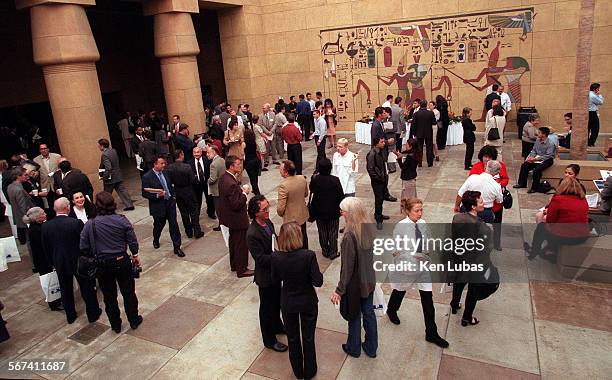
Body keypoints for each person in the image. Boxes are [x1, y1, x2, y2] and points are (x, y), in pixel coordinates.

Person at [385, 198, 449, 348]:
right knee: (400, 289)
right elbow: (394, 249)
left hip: (422, 268)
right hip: (407, 267)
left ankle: (431, 333)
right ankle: (391, 310)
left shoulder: (423, 224)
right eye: (416, 211)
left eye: (421, 210)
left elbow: (427, 242)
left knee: (428, 300)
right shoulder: (401, 227)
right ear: (408, 211)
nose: (420, 214)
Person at [80, 192, 142, 333]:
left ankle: (115, 325)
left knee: (109, 296)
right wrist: (135, 254)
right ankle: (133, 320)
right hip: (122, 261)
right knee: (129, 293)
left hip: (103, 265)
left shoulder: (91, 224)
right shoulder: (121, 220)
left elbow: (83, 246)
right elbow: (132, 240)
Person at [271, 222, 323, 380]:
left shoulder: (276, 257)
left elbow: (275, 279)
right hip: (307, 301)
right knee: (308, 337)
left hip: (288, 301)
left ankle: (298, 371)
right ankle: (310, 370)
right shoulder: (308, 255)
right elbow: (318, 281)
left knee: (293, 338)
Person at [330, 197, 378, 358]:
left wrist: (339, 290)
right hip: (369, 279)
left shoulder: (350, 236)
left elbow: (347, 269)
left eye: (343, 211)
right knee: (369, 313)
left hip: (356, 284)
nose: (341, 214)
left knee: (355, 314)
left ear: (350, 214)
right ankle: (371, 347)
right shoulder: (369, 227)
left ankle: (354, 347)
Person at [43, 198, 101, 324]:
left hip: (59, 262)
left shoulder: (46, 226)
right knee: (86, 287)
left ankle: (70, 315)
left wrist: (52, 262)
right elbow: (83, 243)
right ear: (68, 207)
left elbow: (46, 248)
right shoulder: (76, 223)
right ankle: (93, 313)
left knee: (65, 289)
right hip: (78, 261)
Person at [246, 195, 288, 353]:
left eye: (267, 207)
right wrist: (278, 257)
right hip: (265, 277)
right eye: (264, 210)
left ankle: (277, 326)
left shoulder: (268, 222)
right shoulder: (252, 233)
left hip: (275, 273)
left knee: (277, 302)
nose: (267, 211)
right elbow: (260, 259)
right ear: (256, 213)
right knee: (266, 309)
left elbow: (274, 240)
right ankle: (269, 340)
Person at [450, 191, 494, 327]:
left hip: (459, 259)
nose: (483, 203)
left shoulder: (457, 218)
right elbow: (489, 247)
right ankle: (467, 318)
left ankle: (454, 303)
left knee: (459, 282)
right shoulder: (482, 227)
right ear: (473, 207)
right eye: (481, 202)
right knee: (473, 290)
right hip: (475, 263)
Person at [524, 177, 590, 261]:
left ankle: (534, 251)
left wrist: (546, 212)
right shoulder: (583, 199)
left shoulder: (558, 200)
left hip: (567, 236)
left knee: (542, 227)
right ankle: (550, 250)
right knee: (556, 229)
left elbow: (550, 220)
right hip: (582, 236)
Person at [218, 155, 254, 277]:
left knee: (233, 243)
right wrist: (244, 193)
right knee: (241, 244)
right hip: (237, 219)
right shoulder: (231, 183)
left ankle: (234, 265)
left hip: (229, 218)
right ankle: (242, 269)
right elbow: (236, 204)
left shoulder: (224, 178)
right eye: (238, 164)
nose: (240, 166)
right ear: (232, 166)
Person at [141, 156, 185, 257]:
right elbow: (144, 193)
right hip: (158, 205)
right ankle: (156, 239)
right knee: (158, 225)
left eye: (164, 163)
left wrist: (173, 196)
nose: (164, 165)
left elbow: (171, 185)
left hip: (169, 203)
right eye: (162, 164)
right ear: (155, 164)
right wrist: (156, 195)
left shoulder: (166, 172)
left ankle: (177, 247)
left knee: (174, 225)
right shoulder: (147, 177)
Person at [469, 146, 510, 250]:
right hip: (481, 203)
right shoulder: (476, 167)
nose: (487, 159)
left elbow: (505, 179)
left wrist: (499, 184)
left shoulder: (500, 166)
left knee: (497, 225)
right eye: (485, 157)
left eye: (490, 157)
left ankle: (497, 243)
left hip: (496, 203)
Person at [23, 207, 62, 311]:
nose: (45, 214)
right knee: (50, 282)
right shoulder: (36, 230)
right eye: (43, 213)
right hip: (44, 261)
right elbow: (45, 245)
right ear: (37, 217)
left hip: (42, 260)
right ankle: (54, 303)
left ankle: (56, 301)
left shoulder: (36, 227)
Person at [309, 158, 344, 259]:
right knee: (333, 232)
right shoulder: (335, 180)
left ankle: (325, 250)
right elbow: (341, 195)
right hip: (333, 211)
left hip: (319, 210)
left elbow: (311, 189)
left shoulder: (315, 179)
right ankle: (333, 252)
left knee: (322, 231)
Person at [166, 149, 203, 239]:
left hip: (178, 192)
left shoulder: (170, 168)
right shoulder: (186, 167)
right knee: (194, 211)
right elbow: (192, 180)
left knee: (184, 213)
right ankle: (197, 231)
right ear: (181, 155)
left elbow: (169, 182)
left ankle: (189, 232)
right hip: (188, 191)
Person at [277, 160, 309, 249]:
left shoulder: (283, 186)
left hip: (291, 218)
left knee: (294, 241)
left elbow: (280, 208)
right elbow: (306, 194)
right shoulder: (302, 178)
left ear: (286, 172)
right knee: (303, 236)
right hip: (302, 214)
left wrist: (280, 213)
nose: (279, 170)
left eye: (281, 169)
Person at [513, 127, 556, 193]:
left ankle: (534, 188)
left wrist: (536, 158)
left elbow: (548, 155)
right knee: (525, 165)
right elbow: (534, 150)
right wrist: (531, 157)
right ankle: (522, 183)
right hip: (537, 158)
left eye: (539, 133)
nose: (537, 134)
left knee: (537, 170)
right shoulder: (537, 140)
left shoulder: (550, 144)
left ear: (544, 134)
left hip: (547, 159)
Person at [98, 138, 134, 211]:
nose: (98, 147)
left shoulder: (104, 155)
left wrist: (104, 177)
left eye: (99, 146)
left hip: (110, 178)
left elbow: (108, 168)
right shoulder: (113, 151)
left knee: (106, 194)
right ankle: (129, 205)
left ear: (102, 146)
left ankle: (105, 208)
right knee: (122, 191)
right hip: (118, 175)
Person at [7, 167, 34, 245]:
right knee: (29, 241)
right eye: (25, 175)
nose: (27, 177)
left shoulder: (10, 186)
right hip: (24, 219)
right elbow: (23, 207)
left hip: (17, 216)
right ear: (18, 176)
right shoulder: (19, 190)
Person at [367, 137, 388, 230]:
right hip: (378, 181)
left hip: (382, 179)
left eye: (384, 141)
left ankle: (379, 214)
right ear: (376, 143)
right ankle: (378, 219)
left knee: (381, 198)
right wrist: (379, 178)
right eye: (382, 142)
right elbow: (370, 169)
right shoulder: (372, 154)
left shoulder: (380, 151)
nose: (384, 143)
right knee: (378, 199)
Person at [191, 147, 216, 220]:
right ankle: (196, 215)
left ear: (201, 153)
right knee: (197, 201)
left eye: (198, 152)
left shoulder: (207, 160)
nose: (196, 154)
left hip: (207, 183)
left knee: (210, 199)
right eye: (194, 152)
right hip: (197, 185)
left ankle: (211, 212)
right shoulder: (190, 162)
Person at [412, 99, 437, 167]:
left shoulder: (416, 114)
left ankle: (419, 163)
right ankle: (430, 163)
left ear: (420, 105)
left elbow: (413, 125)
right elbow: (434, 123)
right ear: (426, 105)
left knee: (419, 149)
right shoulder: (430, 113)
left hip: (419, 133)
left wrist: (414, 133)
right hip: (428, 133)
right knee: (429, 148)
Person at [207, 145, 225, 231]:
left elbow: (213, 179)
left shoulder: (213, 164)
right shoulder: (222, 160)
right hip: (223, 187)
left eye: (208, 152)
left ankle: (221, 225)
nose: (207, 154)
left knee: (218, 209)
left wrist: (207, 181)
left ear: (214, 152)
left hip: (216, 190)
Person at [244, 129, 261, 195]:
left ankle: (256, 191)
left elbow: (242, 153)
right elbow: (257, 150)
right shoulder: (254, 142)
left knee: (251, 177)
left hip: (248, 161)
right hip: (256, 160)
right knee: (255, 177)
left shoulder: (244, 144)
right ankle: (255, 188)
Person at [311, 109, 327, 173]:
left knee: (320, 154)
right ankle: (325, 164)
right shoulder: (315, 120)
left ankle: (318, 169)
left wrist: (319, 140)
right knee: (321, 152)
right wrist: (313, 134)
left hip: (321, 137)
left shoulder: (322, 121)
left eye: (314, 114)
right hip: (317, 136)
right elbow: (317, 129)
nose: (313, 115)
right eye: (313, 114)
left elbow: (322, 132)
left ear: (318, 114)